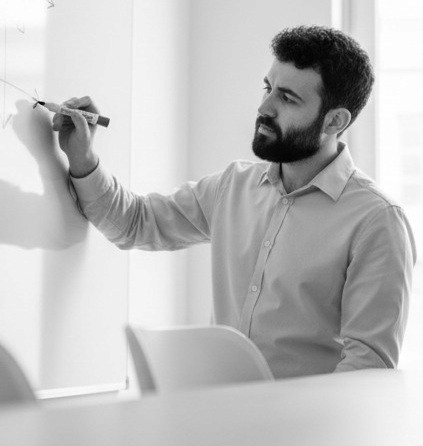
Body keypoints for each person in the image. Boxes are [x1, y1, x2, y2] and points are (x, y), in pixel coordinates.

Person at [52, 25, 417, 379]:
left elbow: (367, 370)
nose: (265, 107)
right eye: (268, 87)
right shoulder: (233, 187)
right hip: (223, 419)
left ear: (335, 120)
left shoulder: (377, 221)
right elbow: (135, 223)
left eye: (287, 98)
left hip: (305, 435)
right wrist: (82, 158)